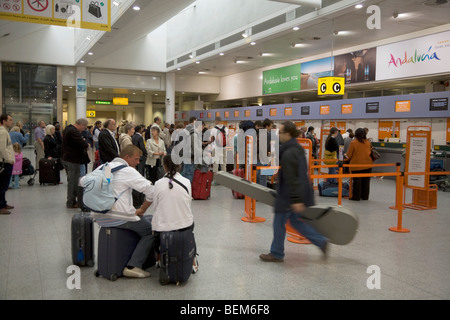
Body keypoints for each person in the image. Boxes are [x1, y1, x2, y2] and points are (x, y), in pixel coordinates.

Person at [82, 145, 155, 278]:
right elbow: (151, 191)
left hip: (100, 217)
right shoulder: (128, 171)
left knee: (143, 222)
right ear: (127, 157)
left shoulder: (104, 167)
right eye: (136, 159)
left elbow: (83, 182)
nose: (138, 163)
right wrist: (143, 208)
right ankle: (134, 265)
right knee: (151, 231)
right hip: (119, 217)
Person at [260, 121, 328, 262]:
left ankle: (277, 253)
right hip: (299, 192)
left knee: (278, 223)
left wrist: (296, 200)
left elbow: (292, 178)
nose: (279, 135)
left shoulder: (288, 153)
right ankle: (321, 241)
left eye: (281, 132)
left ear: (288, 134)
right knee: (296, 222)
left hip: (289, 195)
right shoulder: (297, 148)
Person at [152, 154, 194, 232]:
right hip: (185, 224)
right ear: (179, 166)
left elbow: (155, 206)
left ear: (164, 166)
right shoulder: (187, 182)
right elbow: (188, 202)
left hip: (163, 227)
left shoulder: (158, 183)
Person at [62, 119, 89, 209]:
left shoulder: (68, 128)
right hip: (73, 159)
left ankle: (72, 201)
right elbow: (83, 144)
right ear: (81, 125)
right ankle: (71, 202)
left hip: (67, 158)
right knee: (73, 182)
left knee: (72, 181)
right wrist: (85, 144)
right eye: (84, 127)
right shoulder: (74, 131)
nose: (84, 129)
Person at [344, 128, 373, 201]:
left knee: (357, 182)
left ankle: (356, 197)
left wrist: (345, 155)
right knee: (366, 182)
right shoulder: (368, 142)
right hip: (368, 165)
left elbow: (349, 155)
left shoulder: (354, 143)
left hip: (356, 166)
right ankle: (365, 197)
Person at [0, 114, 15, 215]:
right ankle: (1, 206)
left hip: (7, 162)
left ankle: (3, 203)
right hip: (4, 163)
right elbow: (2, 148)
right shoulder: (2, 132)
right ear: (4, 121)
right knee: (2, 185)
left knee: (5, 185)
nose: (12, 122)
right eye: (10, 120)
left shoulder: (5, 131)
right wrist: (9, 159)